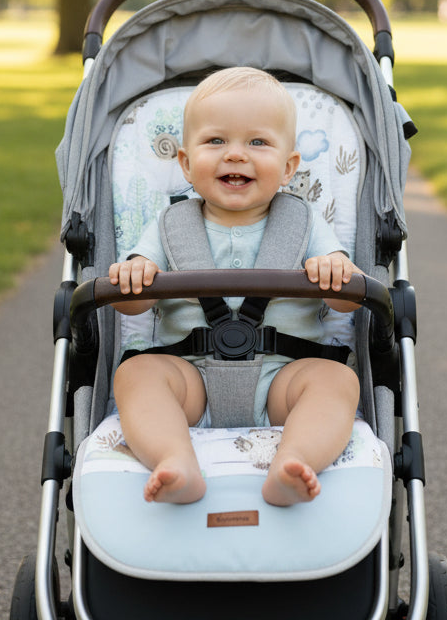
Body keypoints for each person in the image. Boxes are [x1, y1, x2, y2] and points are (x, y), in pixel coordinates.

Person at [109, 67, 361, 507]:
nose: (235, 156)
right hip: (190, 380)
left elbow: (347, 301)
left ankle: (294, 460)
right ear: (186, 163)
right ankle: (175, 458)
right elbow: (133, 307)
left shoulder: (305, 223)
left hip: (284, 380)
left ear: (288, 167)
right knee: (136, 374)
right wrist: (134, 281)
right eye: (216, 141)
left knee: (337, 379)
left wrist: (334, 273)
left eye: (257, 142)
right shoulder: (169, 225)